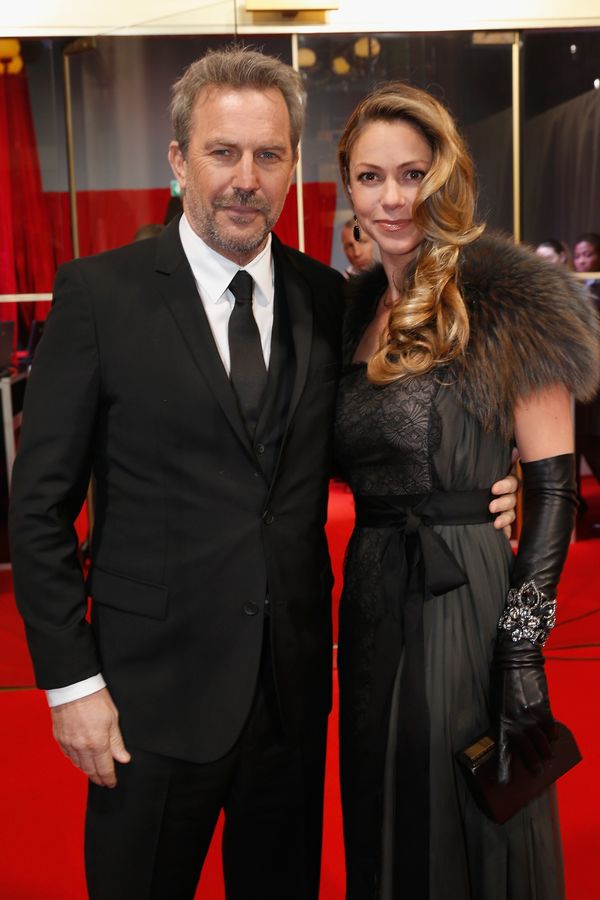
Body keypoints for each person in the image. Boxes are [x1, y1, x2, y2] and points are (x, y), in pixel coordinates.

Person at [8, 49, 517, 900]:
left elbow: (385, 441)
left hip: (292, 693)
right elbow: (38, 510)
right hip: (148, 697)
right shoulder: (100, 295)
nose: (246, 179)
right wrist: (72, 683)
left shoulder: (332, 299)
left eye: (269, 155)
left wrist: (492, 494)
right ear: (179, 160)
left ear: (292, 169)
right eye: (223, 152)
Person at [334, 83, 599, 899]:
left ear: (445, 177)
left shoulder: (503, 296)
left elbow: (556, 497)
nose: (392, 198)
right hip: (373, 592)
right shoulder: (353, 309)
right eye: (371, 176)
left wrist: (521, 648)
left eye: (412, 174)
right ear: (347, 183)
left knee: (461, 809)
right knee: (382, 798)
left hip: (465, 598)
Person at [573, 231, 600, 505]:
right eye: (578, 255)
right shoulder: (573, 288)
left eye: (588, 254)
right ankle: (576, 508)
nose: (581, 260)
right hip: (575, 392)